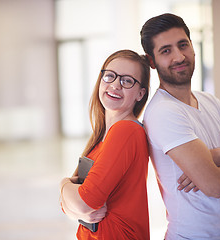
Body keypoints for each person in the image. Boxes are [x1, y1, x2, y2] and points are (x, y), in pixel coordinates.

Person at [140, 13, 220, 239]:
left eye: (183, 45)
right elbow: (214, 186)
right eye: (166, 51)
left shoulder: (209, 101)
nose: (179, 57)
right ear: (152, 61)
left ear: (193, 46)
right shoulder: (163, 112)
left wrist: (218, 156)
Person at [59, 49, 151, 239]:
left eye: (127, 81)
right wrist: (74, 204)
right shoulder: (102, 136)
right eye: (110, 76)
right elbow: (69, 208)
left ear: (140, 94)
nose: (115, 85)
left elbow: (84, 203)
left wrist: (63, 185)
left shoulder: (126, 131)